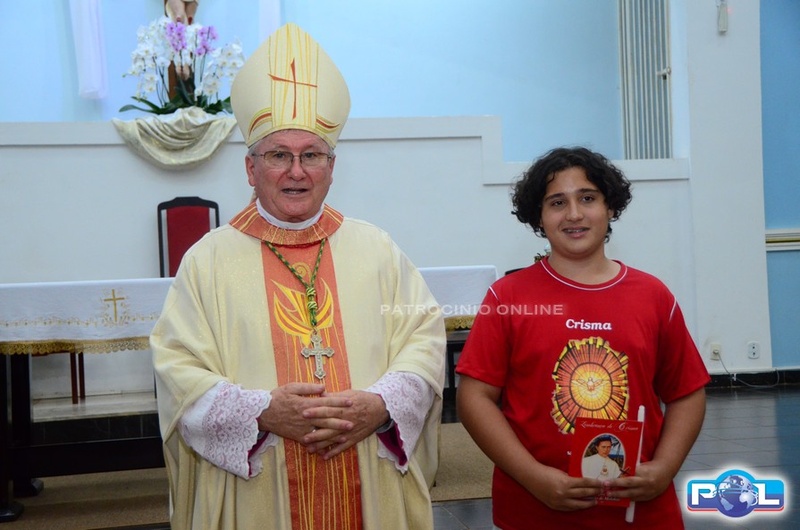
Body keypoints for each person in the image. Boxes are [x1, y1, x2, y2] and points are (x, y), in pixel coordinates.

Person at [151, 23, 445, 530]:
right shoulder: (208, 260)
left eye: (311, 155)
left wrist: (380, 405)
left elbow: (423, 338)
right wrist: (260, 412)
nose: (296, 171)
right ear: (250, 168)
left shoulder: (376, 248)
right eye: (278, 155)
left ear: (332, 166)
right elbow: (178, 368)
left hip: (365, 472)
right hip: (259, 488)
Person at [455, 146, 709, 529]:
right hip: (534, 510)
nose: (574, 214)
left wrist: (665, 467)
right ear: (539, 216)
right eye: (557, 202)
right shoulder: (507, 297)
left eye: (587, 198)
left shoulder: (653, 296)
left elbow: (687, 393)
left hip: (641, 514)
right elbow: (474, 398)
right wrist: (533, 477)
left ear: (610, 207)